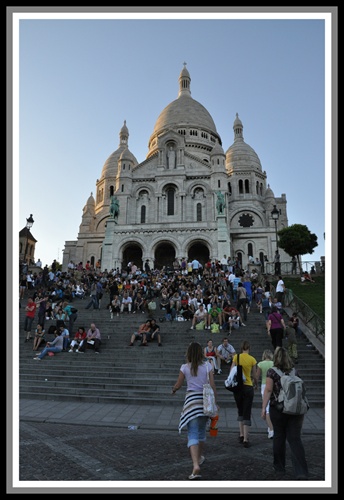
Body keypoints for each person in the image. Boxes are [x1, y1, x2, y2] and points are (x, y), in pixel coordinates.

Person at [171, 341, 218, 480]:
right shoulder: (208, 365)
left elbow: (179, 384)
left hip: (191, 402)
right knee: (202, 432)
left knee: (192, 433)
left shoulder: (185, 367)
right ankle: (199, 456)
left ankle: (195, 464)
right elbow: (213, 384)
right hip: (205, 402)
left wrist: (174, 389)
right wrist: (215, 402)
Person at [261, 347, 309, 480]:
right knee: (295, 439)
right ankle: (301, 471)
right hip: (296, 410)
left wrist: (263, 408)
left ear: (275, 358)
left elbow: (269, 390)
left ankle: (279, 467)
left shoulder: (272, 372)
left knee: (279, 437)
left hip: (279, 409)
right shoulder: (294, 371)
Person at [229, 340, 258, 448]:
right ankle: (246, 438)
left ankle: (241, 434)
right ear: (249, 348)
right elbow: (254, 376)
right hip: (248, 386)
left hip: (238, 387)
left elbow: (232, 370)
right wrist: (256, 384)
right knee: (247, 411)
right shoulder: (252, 359)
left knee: (240, 410)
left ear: (241, 348)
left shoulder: (236, 357)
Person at [257, 349, 274, 439]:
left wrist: (255, 383)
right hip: (273, 384)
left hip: (264, 384)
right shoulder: (273, 364)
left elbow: (257, 376)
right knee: (273, 405)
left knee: (266, 407)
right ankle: (271, 427)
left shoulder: (260, 364)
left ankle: (271, 430)